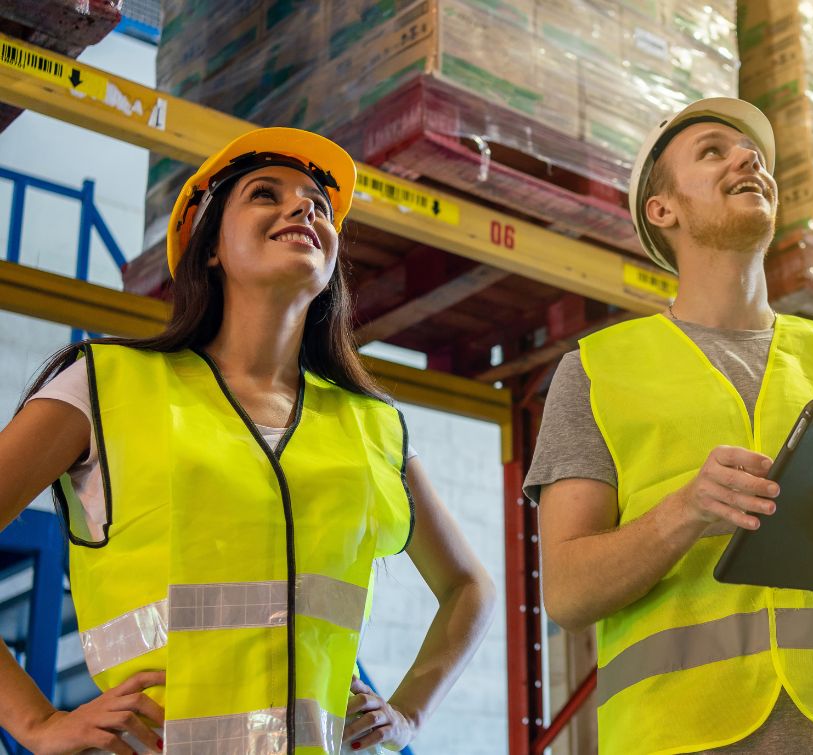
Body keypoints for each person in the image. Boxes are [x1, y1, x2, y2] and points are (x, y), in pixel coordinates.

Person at [0, 128, 497, 755]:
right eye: (266, 194)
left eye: (317, 203)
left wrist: (408, 716)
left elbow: (470, 588)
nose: (303, 209)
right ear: (210, 247)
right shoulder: (104, 385)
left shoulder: (372, 426)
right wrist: (35, 723)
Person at [529, 98, 813, 754]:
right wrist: (683, 512)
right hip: (680, 737)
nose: (749, 159)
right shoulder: (597, 371)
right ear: (663, 210)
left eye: (752, 154)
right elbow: (568, 593)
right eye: (714, 150)